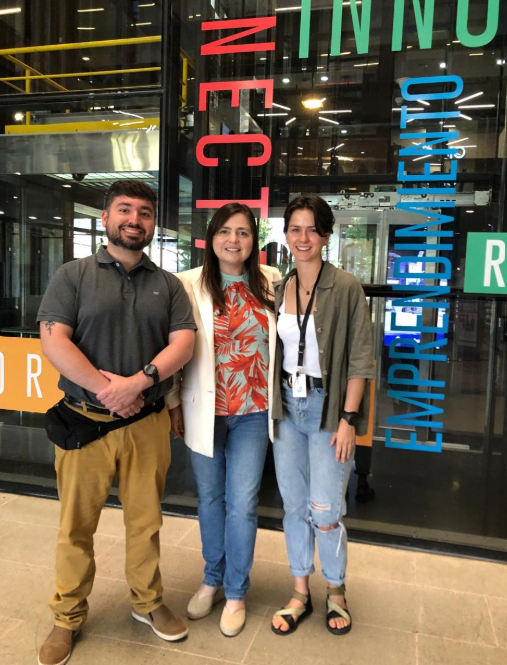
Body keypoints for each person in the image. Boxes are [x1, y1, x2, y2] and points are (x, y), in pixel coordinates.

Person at [36, 180, 197, 665]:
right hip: (84, 424)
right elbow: (55, 340)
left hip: (147, 425)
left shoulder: (168, 284)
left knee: (146, 523)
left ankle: (148, 603)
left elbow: (183, 343)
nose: (134, 219)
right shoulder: (73, 275)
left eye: (144, 212)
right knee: (75, 527)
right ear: (105, 217)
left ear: (153, 223)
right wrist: (111, 390)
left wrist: (138, 383)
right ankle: (67, 616)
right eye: (124, 210)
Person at [166, 202, 280, 637]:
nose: (234, 240)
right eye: (225, 231)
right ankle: (212, 578)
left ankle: (235, 591)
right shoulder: (187, 283)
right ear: (211, 237)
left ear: (254, 241)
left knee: (243, 503)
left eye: (244, 232)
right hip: (204, 409)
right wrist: (173, 403)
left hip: (254, 411)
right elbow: (174, 349)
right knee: (210, 499)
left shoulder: (270, 281)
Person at [270, 196, 375, 636]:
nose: (303, 237)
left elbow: (361, 358)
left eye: (312, 229)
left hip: (328, 408)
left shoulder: (345, 286)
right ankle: (300, 592)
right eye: (295, 229)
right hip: (286, 407)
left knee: (326, 509)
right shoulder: (279, 287)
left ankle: (336, 589)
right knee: (294, 506)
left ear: (327, 236)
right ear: (286, 235)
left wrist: (349, 419)